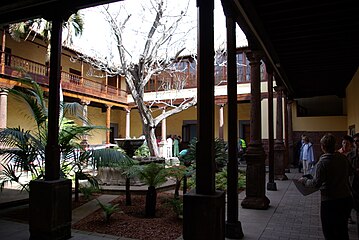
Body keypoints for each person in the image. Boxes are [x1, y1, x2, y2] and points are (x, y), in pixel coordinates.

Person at [299, 133, 352, 240]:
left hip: (330, 201)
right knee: (342, 230)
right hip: (345, 198)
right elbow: (350, 172)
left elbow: (316, 183)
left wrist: (304, 181)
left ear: (322, 147)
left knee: (329, 231)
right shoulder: (343, 159)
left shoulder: (323, 162)